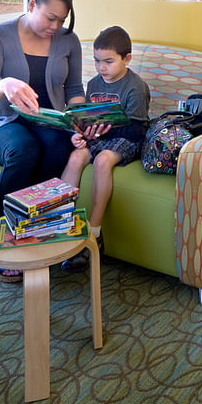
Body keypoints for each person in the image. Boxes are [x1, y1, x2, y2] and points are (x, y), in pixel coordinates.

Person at [0, 0, 85, 282]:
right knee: (23, 149)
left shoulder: (68, 41)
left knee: (57, 145)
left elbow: (75, 90)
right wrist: (5, 85)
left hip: (49, 120)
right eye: (50, 18)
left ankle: (39, 229)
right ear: (32, 4)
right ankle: (5, 236)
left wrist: (78, 116)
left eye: (61, 20)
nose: (55, 26)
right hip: (2, 122)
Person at [61, 25, 150, 273]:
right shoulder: (93, 84)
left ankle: (94, 232)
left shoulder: (135, 87)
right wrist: (81, 134)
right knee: (76, 156)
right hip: (100, 136)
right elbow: (87, 119)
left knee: (102, 161)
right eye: (97, 61)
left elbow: (135, 130)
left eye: (108, 62)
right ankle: (63, 223)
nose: (102, 68)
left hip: (128, 139)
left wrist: (102, 132)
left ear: (127, 58)